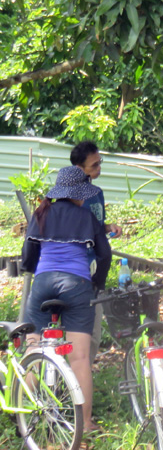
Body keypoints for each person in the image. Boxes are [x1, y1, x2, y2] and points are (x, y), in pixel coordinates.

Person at [21, 165, 112, 433]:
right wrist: (98, 283)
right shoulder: (86, 217)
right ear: (78, 194)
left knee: (33, 350)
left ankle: (25, 416)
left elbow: (28, 254)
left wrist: (35, 271)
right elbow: (104, 254)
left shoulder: (41, 213)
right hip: (77, 285)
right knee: (80, 358)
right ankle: (85, 425)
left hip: (44, 284)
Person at [70, 140, 121, 363]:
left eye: (100, 163)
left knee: (92, 335)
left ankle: (82, 379)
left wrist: (108, 227)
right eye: (94, 165)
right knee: (76, 334)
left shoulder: (97, 193)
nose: (99, 168)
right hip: (77, 274)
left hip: (96, 274)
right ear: (78, 169)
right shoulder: (69, 196)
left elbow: (95, 224)